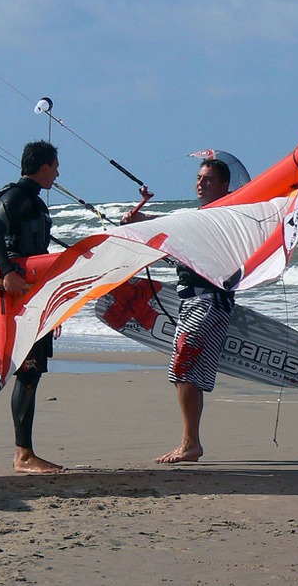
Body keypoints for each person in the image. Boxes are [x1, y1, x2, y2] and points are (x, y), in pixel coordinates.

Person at [121, 158, 233, 463]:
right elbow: (178, 225)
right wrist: (143, 218)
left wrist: (146, 219)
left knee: (183, 366)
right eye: (199, 177)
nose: (200, 183)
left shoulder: (224, 216)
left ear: (224, 186)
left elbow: (181, 227)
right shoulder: (201, 216)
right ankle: (191, 442)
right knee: (189, 373)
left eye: (208, 179)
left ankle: (190, 444)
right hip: (189, 300)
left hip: (208, 300)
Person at [0, 140, 63, 474]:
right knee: (28, 371)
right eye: (55, 166)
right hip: (20, 296)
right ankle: (23, 455)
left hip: (35, 296)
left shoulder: (34, 201)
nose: (58, 173)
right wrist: (7, 273)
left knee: (33, 372)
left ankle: (25, 453)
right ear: (43, 166)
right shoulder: (16, 196)